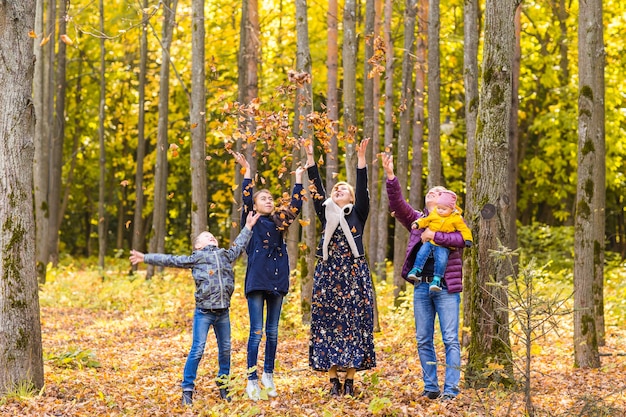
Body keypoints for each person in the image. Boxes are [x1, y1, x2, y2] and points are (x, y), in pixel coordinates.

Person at [129, 211, 261, 406]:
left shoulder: (225, 255)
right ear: (198, 245)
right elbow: (170, 259)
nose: (212, 237)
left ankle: (223, 385)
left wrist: (248, 227)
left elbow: (239, 244)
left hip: (223, 312)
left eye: (213, 236)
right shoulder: (196, 257)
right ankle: (187, 388)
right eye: (207, 236)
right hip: (204, 313)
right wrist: (146, 258)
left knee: (225, 350)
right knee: (197, 350)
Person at [382, 153, 466, 401]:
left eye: (438, 192)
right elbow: (398, 205)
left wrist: (435, 236)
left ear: (446, 201)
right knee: (423, 339)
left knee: (450, 339)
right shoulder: (417, 220)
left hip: (447, 289)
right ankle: (431, 387)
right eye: (430, 192)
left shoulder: (454, 221)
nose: (432, 194)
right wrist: (390, 176)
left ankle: (451, 389)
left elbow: (461, 241)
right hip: (421, 287)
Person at [305, 138, 376, 397]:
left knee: (354, 324)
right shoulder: (325, 213)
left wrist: (361, 159)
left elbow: (362, 184)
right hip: (328, 275)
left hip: (354, 276)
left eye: (343, 188)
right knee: (328, 323)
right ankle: (334, 380)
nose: (338, 190)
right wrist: (311, 159)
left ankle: (350, 380)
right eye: (336, 188)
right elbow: (315, 189)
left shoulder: (358, 212)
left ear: (351, 197)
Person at [233, 151, 305, 401]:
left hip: (277, 281)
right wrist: (248, 171)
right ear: (254, 206)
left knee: (273, 332)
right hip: (256, 281)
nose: (268, 200)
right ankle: (251, 379)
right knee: (256, 331)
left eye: (271, 198)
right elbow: (245, 196)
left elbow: (295, 206)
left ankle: (269, 376)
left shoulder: (278, 222)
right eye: (263, 198)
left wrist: (298, 179)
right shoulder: (250, 221)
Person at [407, 189, 473, 291]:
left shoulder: (456, 219)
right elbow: (425, 220)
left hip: (443, 246)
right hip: (430, 243)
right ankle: (416, 270)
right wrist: (417, 224)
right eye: (439, 208)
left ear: (451, 209)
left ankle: (437, 279)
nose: (440, 211)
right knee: (422, 253)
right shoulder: (434, 214)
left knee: (441, 260)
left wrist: (468, 239)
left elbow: (464, 230)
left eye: (444, 209)